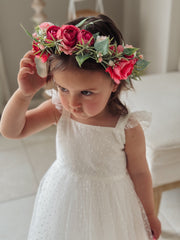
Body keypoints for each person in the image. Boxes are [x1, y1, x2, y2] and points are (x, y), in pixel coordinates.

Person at [0, 14, 161, 239]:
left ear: (114, 83)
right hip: (66, 197)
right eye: (64, 89)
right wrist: (24, 94)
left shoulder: (127, 128)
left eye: (86, 92)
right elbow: (12, 130)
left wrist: (149, 215)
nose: (73, 103)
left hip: (112, 205)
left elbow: (141, 173)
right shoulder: (59, 109)